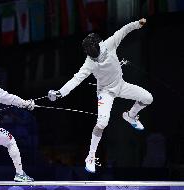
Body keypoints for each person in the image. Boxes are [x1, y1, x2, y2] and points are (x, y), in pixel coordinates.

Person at [48, 18, 153, 173]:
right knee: (102, 123)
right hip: (105, 92)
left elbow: (124, 30)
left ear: (97, 45)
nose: (91, 52)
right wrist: (60, 93)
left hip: (121, 86)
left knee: (148, 98)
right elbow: (76, 80)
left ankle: (131, 115)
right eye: (88, 51)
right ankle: (90, 156)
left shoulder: (110, 44)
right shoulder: (89, 63)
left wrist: (138, 24)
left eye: (92, 48)